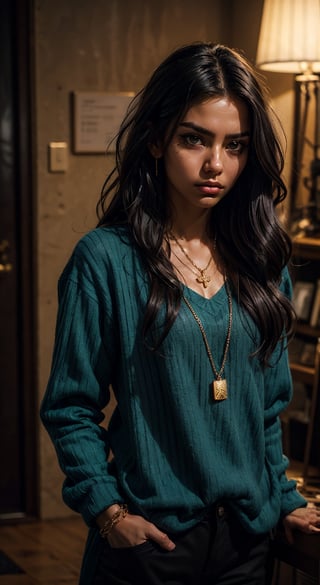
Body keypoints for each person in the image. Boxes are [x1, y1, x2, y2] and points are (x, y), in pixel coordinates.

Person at [40, 41, 320, 585]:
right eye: (195, 139)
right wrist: (109, 513)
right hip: (150, 546)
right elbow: (70, 407)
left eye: (235, 145)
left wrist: (282, 496)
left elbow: (265, 409)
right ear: (155, 140)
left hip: (246, 543)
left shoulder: (263, 260)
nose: (216, 163)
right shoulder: (105, 260)